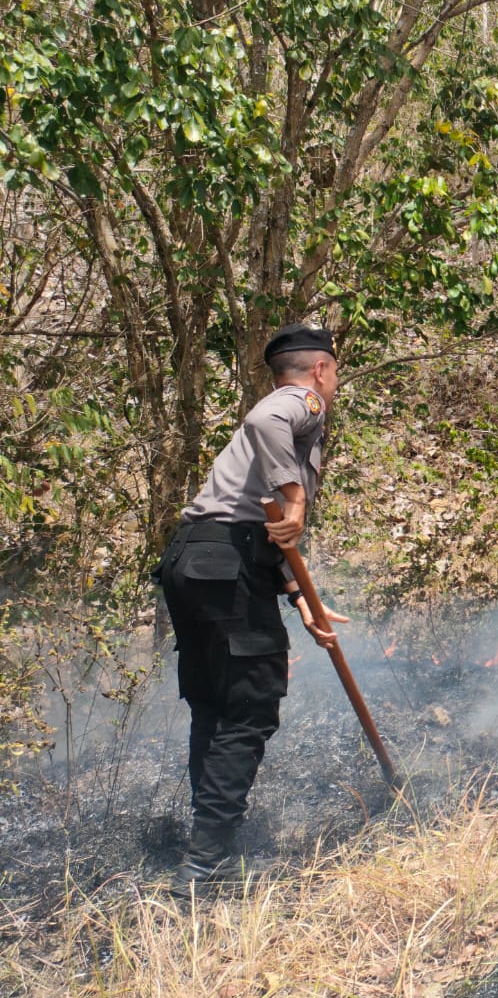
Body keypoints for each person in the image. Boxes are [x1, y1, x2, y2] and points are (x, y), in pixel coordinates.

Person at [155, 323, 348, 885]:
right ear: (320, 370)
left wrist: (299, 598)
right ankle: (206, 862)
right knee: (251, 704)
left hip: (195, 561)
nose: (334, 385)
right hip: (224, 563)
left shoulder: (280, 427)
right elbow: (265, 430)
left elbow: (259, 528)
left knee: (216, 704)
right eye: (334, 373)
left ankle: (206, 843)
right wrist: (295, 497)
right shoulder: (296, 404)